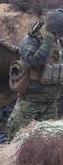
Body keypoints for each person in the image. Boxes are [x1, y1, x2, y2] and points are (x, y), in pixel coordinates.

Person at [8, 9, 63, 139]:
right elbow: (34, 63)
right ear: (51, 30)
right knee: (17, 135)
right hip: (31, 100)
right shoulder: (31, 40)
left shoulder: (59, 42)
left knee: (50, 139)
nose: (59, 37)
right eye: (57, 34)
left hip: (51, 101)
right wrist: (47, 44)